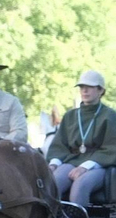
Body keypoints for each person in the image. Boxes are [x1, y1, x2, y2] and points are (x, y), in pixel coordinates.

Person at [46, 70, 116, 205]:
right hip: (72, 160)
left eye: (89, 87)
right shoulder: (70, 116)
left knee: (80, 187)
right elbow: (60, 144)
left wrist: (86, 166)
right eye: (82, 87)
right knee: (52, 184)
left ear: (100, 90)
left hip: (99, 165)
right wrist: (54, 164)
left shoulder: (109, 116)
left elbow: (111, 148)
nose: (84, 91)